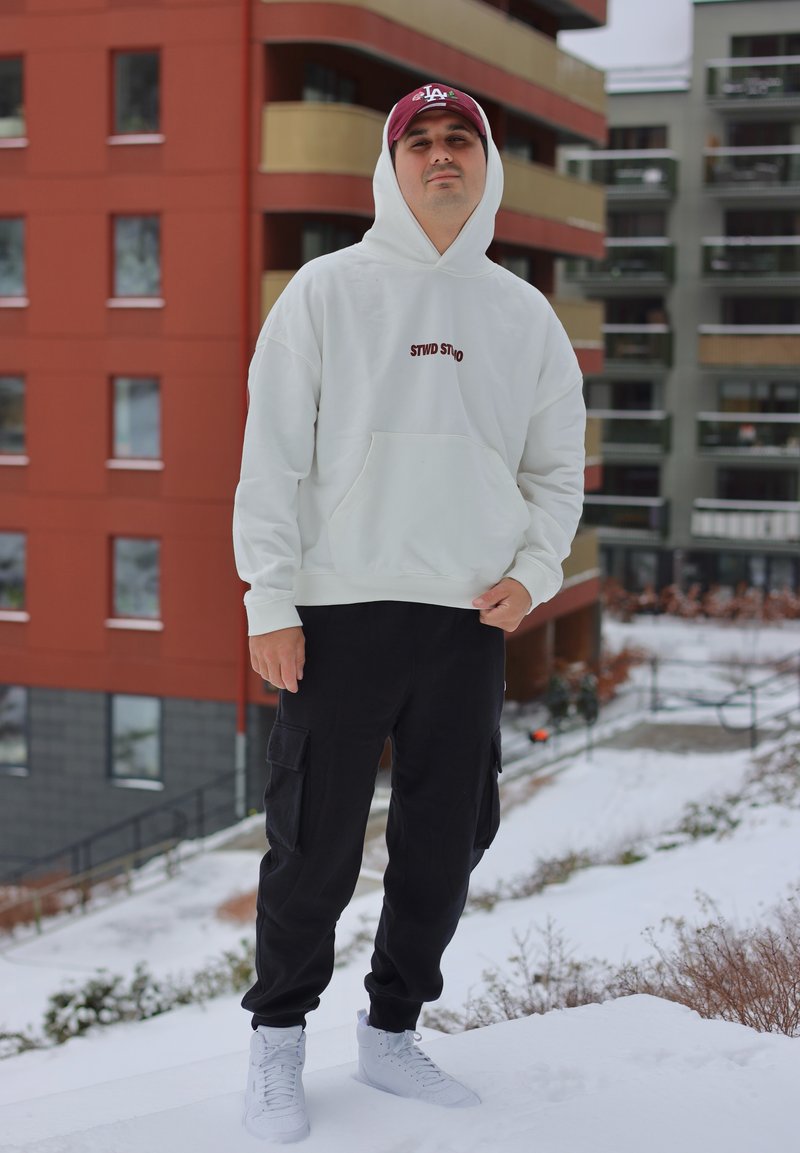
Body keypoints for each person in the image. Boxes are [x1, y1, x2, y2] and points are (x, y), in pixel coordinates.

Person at [233, 81, 586, 1143]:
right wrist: (268, 597)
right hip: (337, 611)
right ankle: (277, 1042)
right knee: (313, 842)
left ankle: (390, 1032)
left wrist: (531, 574)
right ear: (389, 168)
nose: (441, 156)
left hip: (463, 621)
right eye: (421, 141)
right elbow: (270, 460)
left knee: (444, 839)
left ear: (486, 167)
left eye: (459, 141)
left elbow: (555, 472)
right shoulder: (325, 294)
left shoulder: (521, 314)